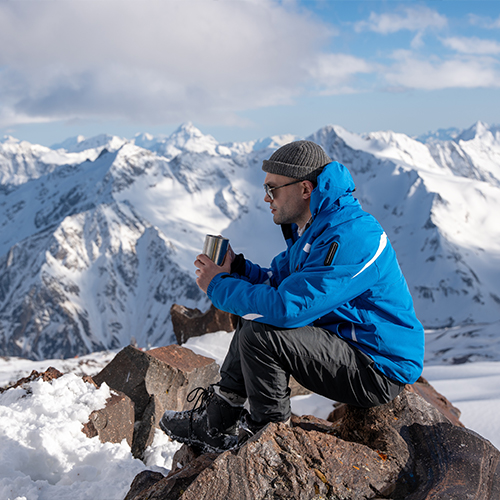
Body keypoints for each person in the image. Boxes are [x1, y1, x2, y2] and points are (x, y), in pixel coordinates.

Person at [160, 140, 425, 453]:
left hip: (377, 366)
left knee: (263, 331)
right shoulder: (317, 228)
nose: (266, 197)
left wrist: (218, 285)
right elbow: (277, 283)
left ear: (304, 189)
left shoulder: (352, 236)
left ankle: (267, 438)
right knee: (254, 316)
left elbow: (288, 309)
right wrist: (237, 269)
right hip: (348, 348)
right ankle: (217, 419)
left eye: (273, 189)